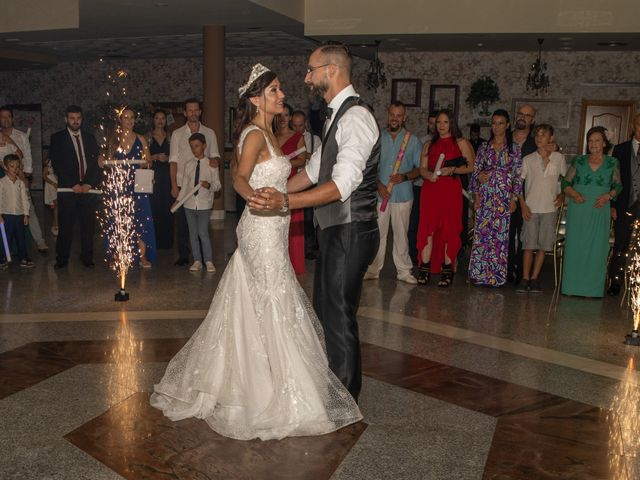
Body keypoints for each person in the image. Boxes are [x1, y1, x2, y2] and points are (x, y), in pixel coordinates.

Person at [151, 64, 362, 441]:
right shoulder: (253, 134)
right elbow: (238, 178)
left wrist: (284, 199)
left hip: (274, 227)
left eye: (280, 89)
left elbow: (281, 178)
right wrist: (256, 201)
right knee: (270, 298)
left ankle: (272, 380)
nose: (282, 95)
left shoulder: (270, 132)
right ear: (255, 99)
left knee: (269, 297)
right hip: (261, 230)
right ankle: (266, 389)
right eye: (275, 91)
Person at [249, 43, 380, 401]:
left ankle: (345, 397)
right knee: (328, 309)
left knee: (338, 314)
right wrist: (267, 197)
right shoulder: (337, 117)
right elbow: (311, 171)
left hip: (352, 228)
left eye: (311, 70)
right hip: (337, 230)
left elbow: (340, 186)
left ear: (331, 71)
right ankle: (335, 386)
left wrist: (285, 202)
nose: (306, 78)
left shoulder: (355, 118)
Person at [415, 109, 475, 287]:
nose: (441, 126)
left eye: (445, 122)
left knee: (449, 228)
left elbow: (471, 166)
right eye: (438, 122)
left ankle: (447, 270)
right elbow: (422, 169)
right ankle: (424, 269)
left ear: (452, 124)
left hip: (450, 191)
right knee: (428, 228)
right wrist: (428, 175)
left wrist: (454, 170)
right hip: (431, 190)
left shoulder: (461, 143)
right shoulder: (428, 145)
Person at [364, 101, 421, 284]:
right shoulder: (377, 138)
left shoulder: (413, 140)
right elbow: (369, 167)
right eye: (392, 114)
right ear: (388, 115)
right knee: (378, 234)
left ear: (404, 118)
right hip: (381, 194)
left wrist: (405, 177)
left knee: (401, 234)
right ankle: (373, 269)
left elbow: (421, 169)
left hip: (403, 195)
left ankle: (404, 271)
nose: (395, 118)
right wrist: (378, 185)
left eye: (399, 115)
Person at [561, 126, 621, 297]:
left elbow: (618, 185)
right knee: (575, 245)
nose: (593, 144)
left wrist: (608, 196)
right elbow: (565, 183)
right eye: (591, 140)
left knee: (597, 248)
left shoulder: (612, 162)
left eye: (597, 140)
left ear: (604, 143)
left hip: (600, 207)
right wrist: (574, 194)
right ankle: (571, 288)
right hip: (579, 207)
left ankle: (592, 290)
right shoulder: (579, 161)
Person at [469, 109, 522, 287]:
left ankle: (496, 277)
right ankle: (479, 275)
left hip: (503, 198)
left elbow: (517, 175)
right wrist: (477, 193)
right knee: (483, 236)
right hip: (485, 197)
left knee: (500, 238)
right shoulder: (484, 147)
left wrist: (514, 199)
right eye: (494, 123)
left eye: (501, 123)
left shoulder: (514, 148)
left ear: (507, 125)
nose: (497, 126)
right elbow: (476, 172)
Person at [49, 105, 102, 269]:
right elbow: (57, 164)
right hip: (68, 189)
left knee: (88, 226)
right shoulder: (57, 138)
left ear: (81, 119)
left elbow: (95, 164)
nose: (75, 121)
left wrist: (88, 183)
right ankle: (62, 258)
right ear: (66, 119)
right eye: (72, 118)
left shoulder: (90, 138)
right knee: (65, 226)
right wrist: (73, 183)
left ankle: (87, 257)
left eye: (78, 118)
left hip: (87, 189)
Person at [169, 98, 220, 266]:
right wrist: (174, 185)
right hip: (183, 183)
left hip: (203, 183)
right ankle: (185, 256)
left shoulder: (210, 133)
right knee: (184, 225)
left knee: (202, 228)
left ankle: (206, 258)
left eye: (195, 110)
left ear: (200, 112)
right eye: (189, 110)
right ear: (185, 113)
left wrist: (215, 163)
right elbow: (173, 161)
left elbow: (215, 156)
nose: (192, 113)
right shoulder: (177, 134)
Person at [515, 124, 567, 293]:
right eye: (537, 134)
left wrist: (562, 195)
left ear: (551, 138)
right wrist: (522, 205)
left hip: (549, 209)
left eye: (543, 135)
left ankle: (535, 278)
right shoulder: (528, 159)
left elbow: (566, 180)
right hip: (531, 207)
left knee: (543, 246)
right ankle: (525, 277)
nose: (539, 138)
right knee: (528, 245)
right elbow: (518, 184)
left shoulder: (558, 158)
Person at [108, 107, 156, 267]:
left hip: (138, 185)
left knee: (141, 220)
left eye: (132, 118)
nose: (129, 121)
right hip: (120, 185)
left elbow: (149, 162)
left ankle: (142, 257)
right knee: (120, 220)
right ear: (120, 120)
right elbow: (108, 161)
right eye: (126, 118)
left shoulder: (141, 139)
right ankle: (120, 254)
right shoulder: (114, 139)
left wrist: (144, 164)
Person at [0, 106, 47, 253]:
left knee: (28, 208)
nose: (6, 119)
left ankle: (40, 241)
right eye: (2, 117)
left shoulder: (20, 136)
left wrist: (26, 176)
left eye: (8, 116)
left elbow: (27, 157)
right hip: (2, 177)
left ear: (12, 118)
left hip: (19, 177)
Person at [173, 133, 220, 273]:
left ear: (204, 146)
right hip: (189, 204)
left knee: (202, 232)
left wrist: (209, 185)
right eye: (192, 147)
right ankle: (197, 260)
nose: (194, 149)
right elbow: (186, 186)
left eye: (197, 146)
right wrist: (177, 201)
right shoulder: (188, 165)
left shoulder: (211, 165)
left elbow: (217, 185)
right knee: (192, 233)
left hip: (204, 204)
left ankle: (208, 260)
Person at [607, 113, 640, 296]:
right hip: (624, 204)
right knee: (620, 244)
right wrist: (612, 204)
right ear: (633, 127)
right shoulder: (620, 149)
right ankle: (615, 281)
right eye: (639, 125)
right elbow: (613, 180)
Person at [507, 104, 538, 283]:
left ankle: (521, 273)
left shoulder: (536, 144)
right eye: (520, 113)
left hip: (527, 197)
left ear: (532, 120)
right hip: (504, 195)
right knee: (507, 235)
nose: (523, 117)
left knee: (525, 236)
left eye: (527, 115)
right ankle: (507, 270)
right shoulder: (503, 139)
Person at [276, 103, 306, 275]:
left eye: (286, 115)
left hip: (292, 183)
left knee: (292, 226)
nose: (282, 118)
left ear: (290, 117)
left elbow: (302, 160)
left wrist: (283, 163)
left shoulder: (297, 137)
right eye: (280, 115)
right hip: (275, 184)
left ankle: (294, 266)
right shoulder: (271, 136)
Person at [291, 109, 321, 259]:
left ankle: (309, 248)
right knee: (293, 217)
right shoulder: (288, 138)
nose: (298, 129)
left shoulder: (315, 140)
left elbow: (319, 161)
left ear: (306, 124)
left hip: (309, 182)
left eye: (300, 125)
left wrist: (304, 155)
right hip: (292, 180)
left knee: (308, 217)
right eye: (295, 125)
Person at [409, 111, 437, 264]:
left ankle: (432, 256)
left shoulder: (447, 142)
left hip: (437, 189)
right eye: (432, 123)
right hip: (420, 186)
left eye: (437, 123)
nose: (435, 126)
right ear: (428, 123)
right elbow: (418, 166)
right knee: (415, 222)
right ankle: (413, 255)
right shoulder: (422, 141)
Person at [0, 154, 32, 268]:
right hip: (7, 216)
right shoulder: (2, 183)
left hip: (19, 215)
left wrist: (26, 214)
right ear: (5, 167)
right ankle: (3, 258)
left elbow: (24, 199)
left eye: (17, 167)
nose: (15, 169)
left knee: (21, 238)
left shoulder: (20, 183)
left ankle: (23, 258)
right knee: (5, 238)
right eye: (12, 166)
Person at [149, 110, 174, 249]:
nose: (160, 121)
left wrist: (168, 158)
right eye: (157, 118)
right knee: (153, 208)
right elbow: (143, 158)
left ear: (166, 120)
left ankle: (167, 243)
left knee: (167, 208)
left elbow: (176, 157)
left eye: (162, 118)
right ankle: (153, 242)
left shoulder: (171, 137)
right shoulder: (146, 137)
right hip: (151, 177)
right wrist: (155, 157)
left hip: (167, 176)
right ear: (153, 120)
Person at [43, 156, 58, 236]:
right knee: (54, 205)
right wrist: (53, 183)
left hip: (55, 183)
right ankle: (55, 225)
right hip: (50, 185)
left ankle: (54, 224)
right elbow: (44, 176)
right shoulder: (47, 163)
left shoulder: (57, 161)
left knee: (55, 206)